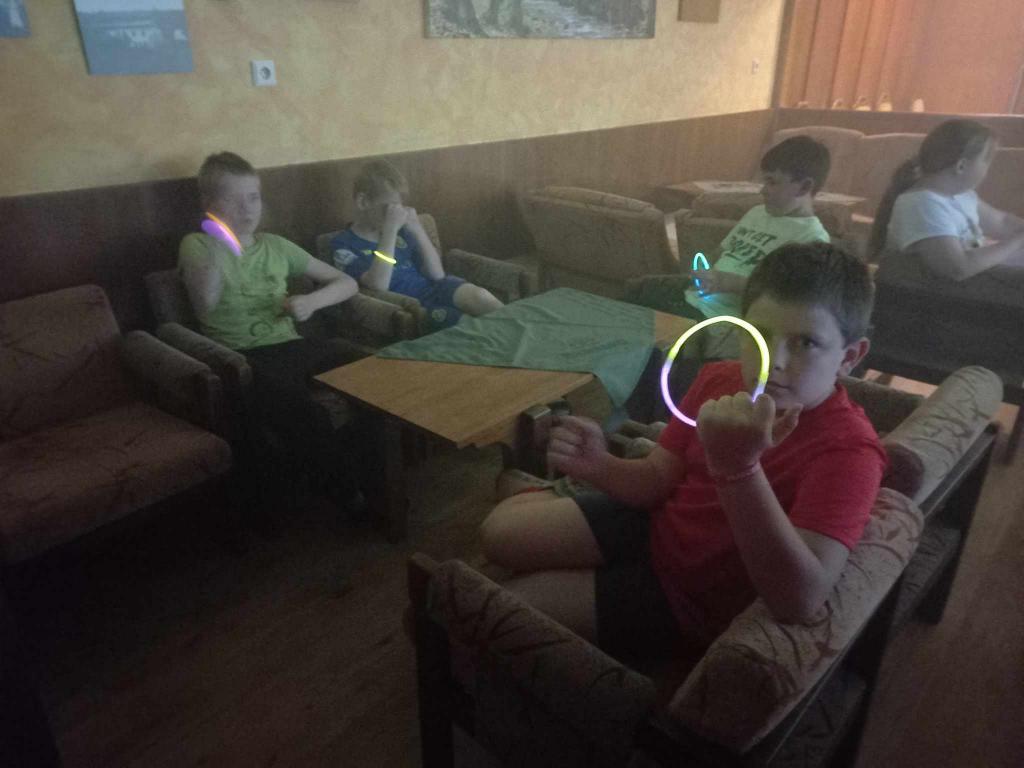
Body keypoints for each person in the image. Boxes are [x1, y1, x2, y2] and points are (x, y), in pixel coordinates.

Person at [480, 242, 884, 666]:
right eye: (760, 335)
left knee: (506, 607)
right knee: (497, 534)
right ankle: (545, 493)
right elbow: (658, 478)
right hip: (656, 528)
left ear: (849, 357)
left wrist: (739, 469)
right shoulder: (720, 378)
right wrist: (600, 465)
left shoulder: (848, 452)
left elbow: (798, 599)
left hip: (691, 600)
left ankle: (537, 493)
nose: (774, 361)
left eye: (805, 342)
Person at [178, 151, 365, 515]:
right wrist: (220, 237)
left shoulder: (276, 245)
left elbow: (348, 283)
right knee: (308, 414)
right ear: (210, 204)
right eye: (233, 200)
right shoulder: (197, 245)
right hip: (244, 358)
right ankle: (350, 498)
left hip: (293, 345)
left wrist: (312, 302)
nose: (247, 209)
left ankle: (379, 477)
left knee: (371, 369)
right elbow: (205, 304)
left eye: (253, 197)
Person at [329, 160, 502, 330]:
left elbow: (437, 274)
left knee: (481, 297)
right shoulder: (344, 244)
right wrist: (390, 231)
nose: (395, 214)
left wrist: (417, 229)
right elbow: (378, 284)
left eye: (399, 207)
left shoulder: (403, 232)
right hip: (410, 304)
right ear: (363, 202)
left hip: (433, 288)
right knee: (468, 324)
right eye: (389, 208)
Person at [871, 118, 1024, 280]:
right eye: (986, 161)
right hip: (930, 294)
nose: (988, 169)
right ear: (961, 166)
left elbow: (1002, 222)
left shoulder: (962, 195)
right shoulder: (921, 204)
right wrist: (1017, 242)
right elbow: (958, 268)